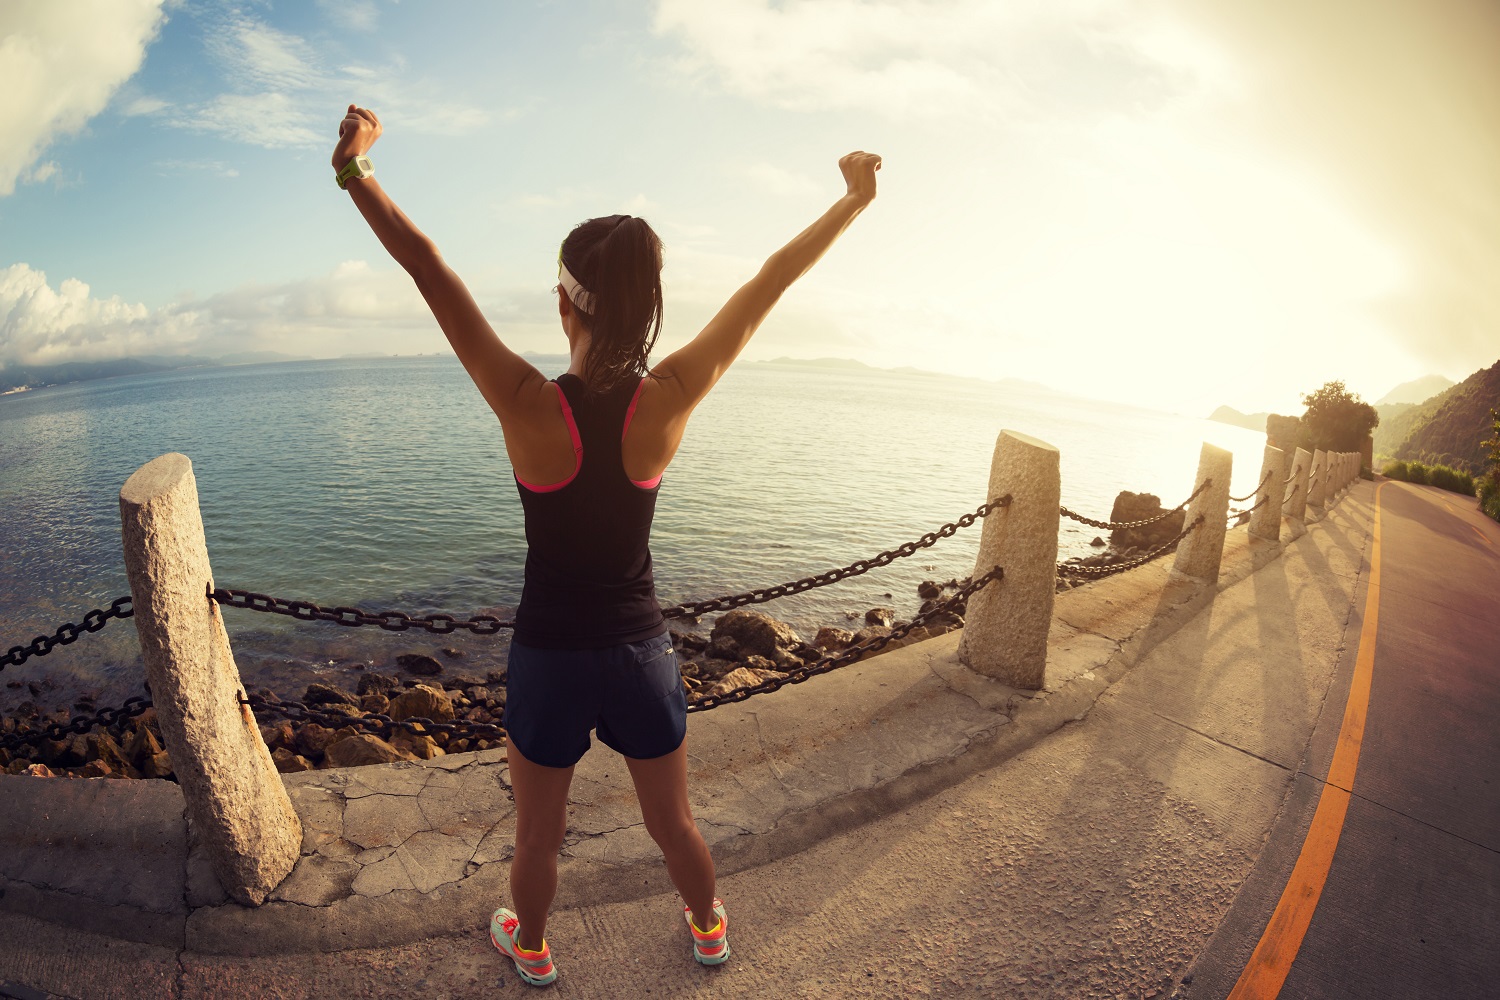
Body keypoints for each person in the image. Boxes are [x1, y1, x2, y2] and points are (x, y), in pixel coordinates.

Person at [332, 103, 879, 986]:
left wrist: (356, 168)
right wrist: (852, 201)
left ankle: (535, 949)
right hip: (641, 652)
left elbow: (427, 267)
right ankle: (707, 929)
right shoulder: (666, 398)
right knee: (676, 824)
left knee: (537, 835)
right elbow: (770, 283)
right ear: (644, 304)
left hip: (549, 656)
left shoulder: (524, 399)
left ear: (563, 302)